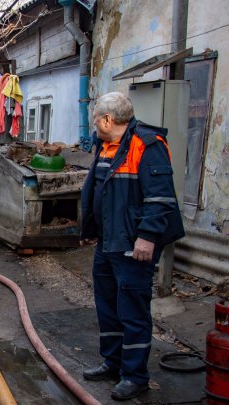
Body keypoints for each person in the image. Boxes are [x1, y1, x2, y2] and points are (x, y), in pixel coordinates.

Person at [80, 92, 184, 400]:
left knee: (133, 311)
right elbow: (99, 192)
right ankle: (113, 363)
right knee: (108, 307)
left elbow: (161, 199)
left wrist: (147, 237)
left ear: (108, 120)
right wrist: (90, 228)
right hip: (108, 242)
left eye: (96, 120)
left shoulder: (148, 145)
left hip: (132, 245)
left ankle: (135, 375)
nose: (94, 126)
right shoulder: (106, 145)